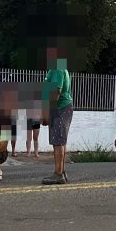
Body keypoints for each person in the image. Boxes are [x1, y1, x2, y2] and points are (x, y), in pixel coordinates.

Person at [40, 47, 73, 185]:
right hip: (61, 107)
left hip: (59, 108)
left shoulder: (57, 68)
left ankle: (58, 174)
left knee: (58, 141)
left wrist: (47, 113)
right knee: (61, 141)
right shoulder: (56, 67)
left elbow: (56, 92)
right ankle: (61, 172)